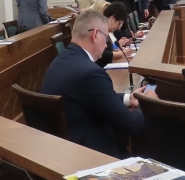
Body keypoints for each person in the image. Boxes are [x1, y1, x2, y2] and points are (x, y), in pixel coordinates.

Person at [41, 10, 156, 157]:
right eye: (106, 37)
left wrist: (128, 98)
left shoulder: (59, 61)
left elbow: (95, 96)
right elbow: (131, 125)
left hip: (61, 150)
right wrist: (148, 102)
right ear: (95, 34)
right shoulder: (91, 73)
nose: (107, 44)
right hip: (92, 156)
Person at [93, 2, 136, 68]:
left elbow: (106, 51)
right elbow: (100, 53)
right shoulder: (98, 30)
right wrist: (120, 53)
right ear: (112, 19)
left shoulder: (106, 32)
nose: (119, 28)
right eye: (119, 23)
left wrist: (116, 50)